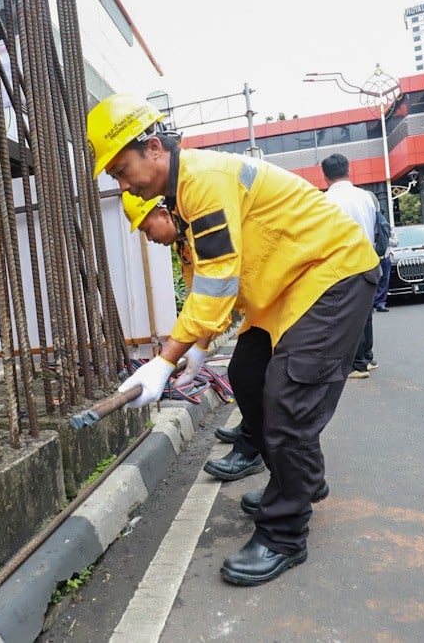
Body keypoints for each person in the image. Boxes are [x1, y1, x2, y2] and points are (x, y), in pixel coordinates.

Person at [88, 94, 379, 586]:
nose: (123, 184)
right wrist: (196, 348)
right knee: (246, 375)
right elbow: (215, 285)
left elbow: (217, 281)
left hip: (331, 275)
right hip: (287, 289)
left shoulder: (202, 180)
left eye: (122, 170)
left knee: (288, 401)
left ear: (153, 148)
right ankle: (301, 481)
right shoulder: (185, 195)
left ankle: (284, 534)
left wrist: (166, 360)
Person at [123, 192, 264, 481]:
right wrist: (196, 349)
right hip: (259, 303)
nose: (149, 238)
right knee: (246, 373)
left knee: (250, 374)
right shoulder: (183, 244)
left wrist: (176, 357)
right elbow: (198, 299)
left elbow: (214, 298)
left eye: (147, 229)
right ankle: (252, 432)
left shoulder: (199, 233)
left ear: (164, 215)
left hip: (274, 298)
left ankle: (253, 448)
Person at [320, 154, 378, 378]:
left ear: (325, 176)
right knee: (366, 313)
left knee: (347, 316)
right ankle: (368, 358)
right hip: (369, 260)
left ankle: (357, 365)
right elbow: (375, 228)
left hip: (343, 264)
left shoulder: (324, 201)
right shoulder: (365, 196)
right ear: (349, 170)